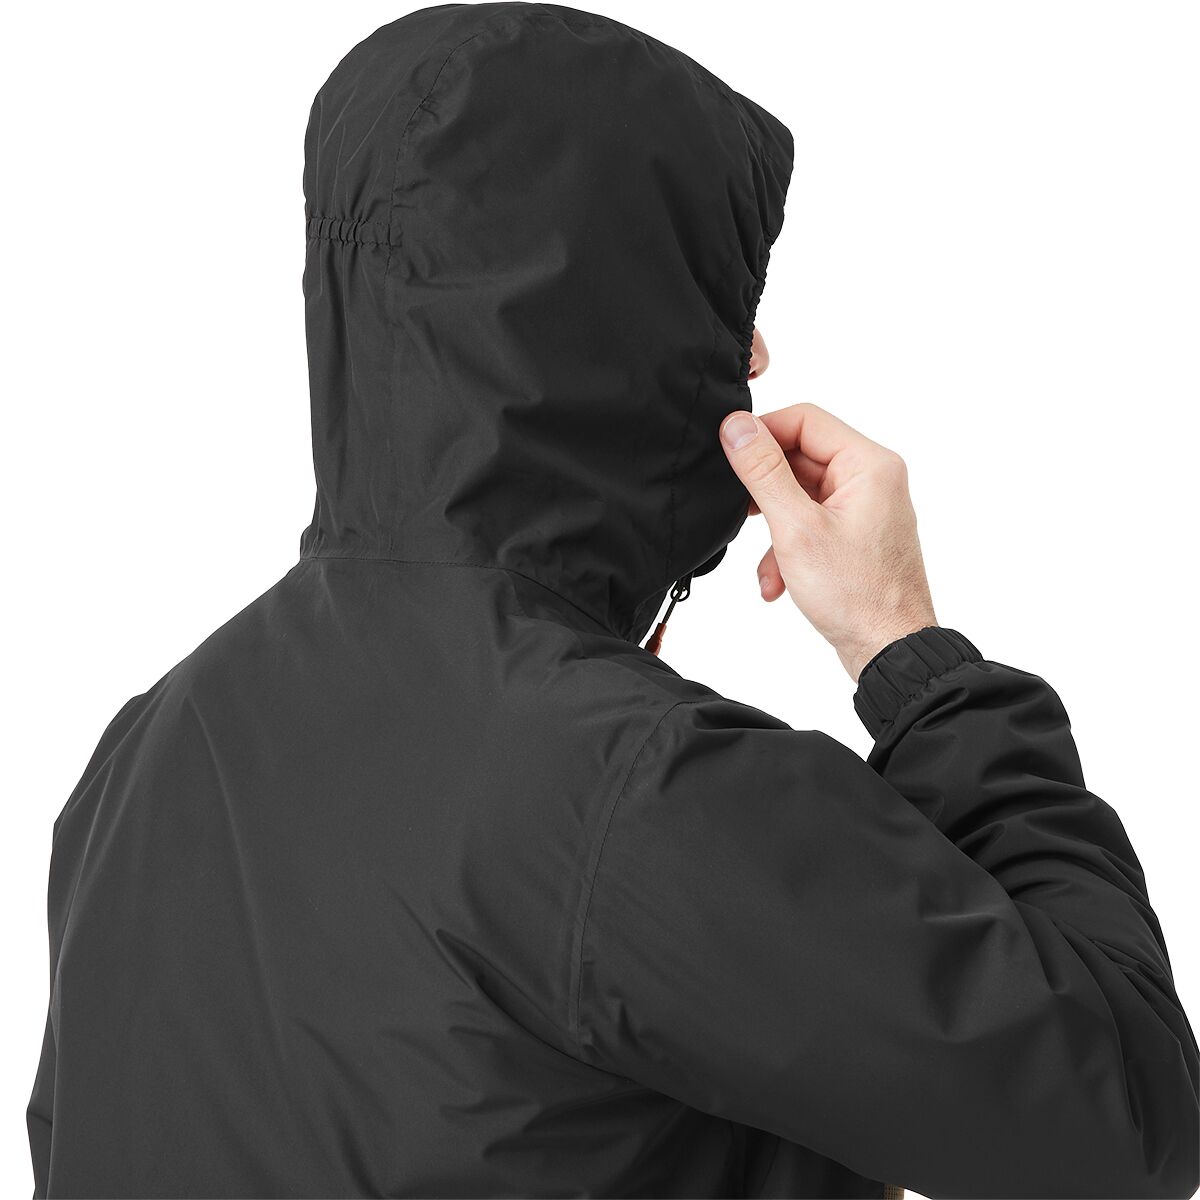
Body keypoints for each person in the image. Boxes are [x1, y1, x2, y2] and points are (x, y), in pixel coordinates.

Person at [28, 3, 1198, 1198]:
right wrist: (909, 651)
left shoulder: (143, 757)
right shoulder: (626, 786)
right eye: (715, 305)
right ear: (622, 333)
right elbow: (1121, 1129)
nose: (753, 357)